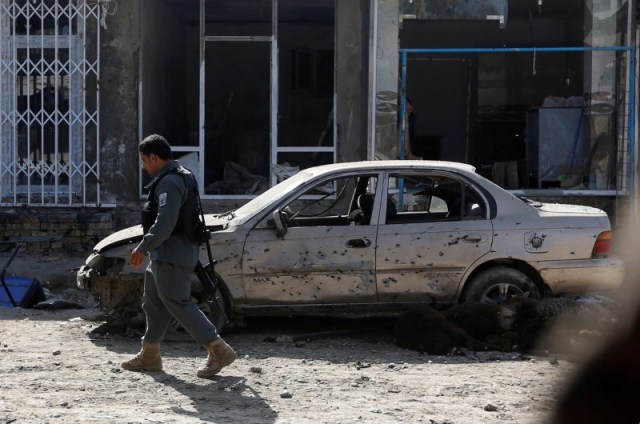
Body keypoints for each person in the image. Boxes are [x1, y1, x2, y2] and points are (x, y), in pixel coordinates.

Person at [121, 134, 236, 378]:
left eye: (144, 161)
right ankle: (150, 354)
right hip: (165, 253)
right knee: (152, 301)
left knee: (178, 304)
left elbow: (165, 223)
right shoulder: (180, 175)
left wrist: (142, 247)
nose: (144, 166)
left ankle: (218, 349)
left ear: (154, 158)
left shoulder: (170, 182)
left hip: (171, 254)